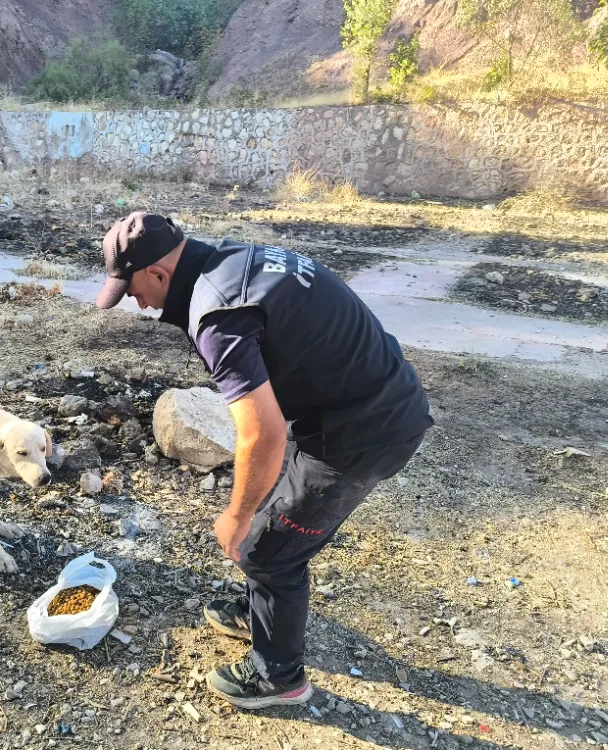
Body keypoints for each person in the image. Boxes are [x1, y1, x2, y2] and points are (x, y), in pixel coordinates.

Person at [95, 212, 434, 710]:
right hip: (353, 401)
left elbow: (262, 433)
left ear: (160, 274)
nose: (138, 303)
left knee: (265, 548)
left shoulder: (219, 316)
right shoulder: (233, 258)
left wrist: (234, 515)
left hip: (365, 430)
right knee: (268, 518)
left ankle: (279, 678)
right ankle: (262, 608)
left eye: (134, 291)